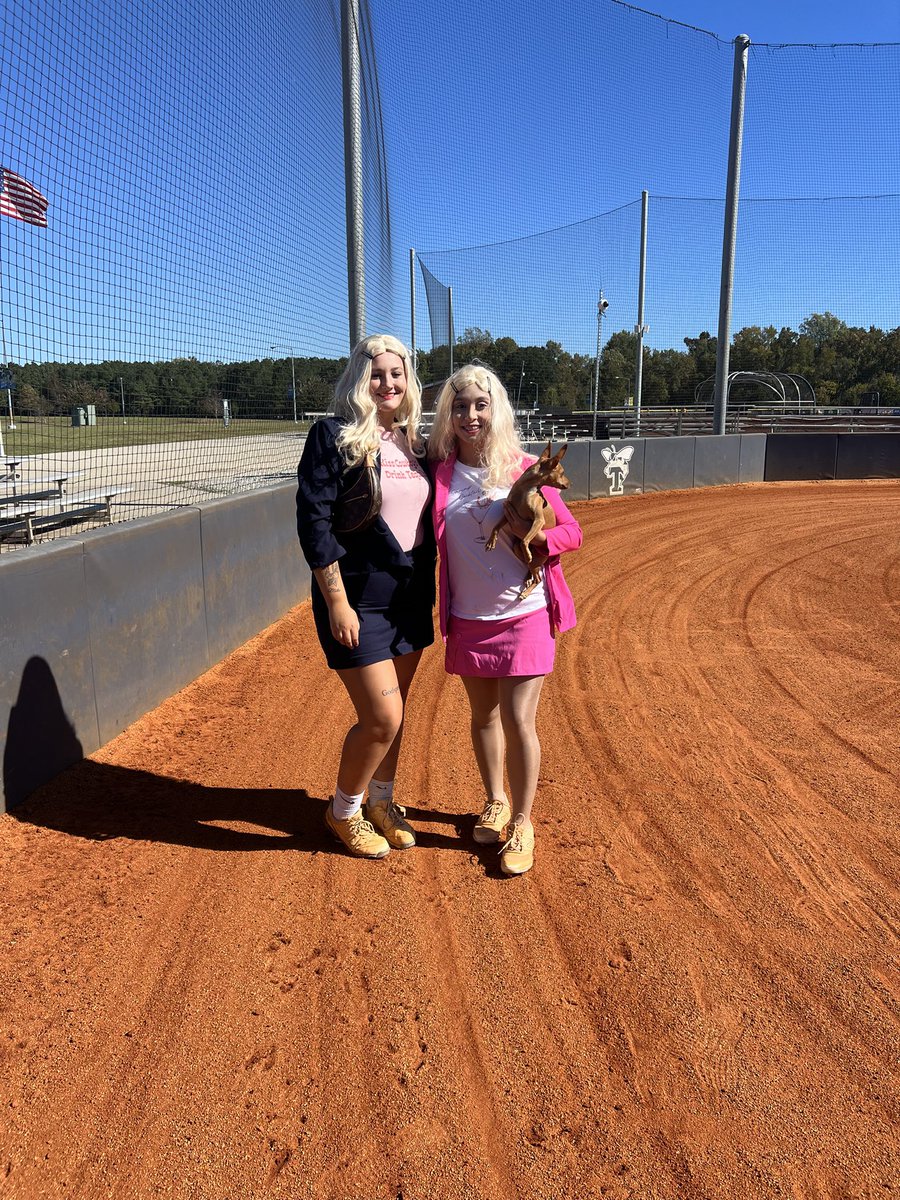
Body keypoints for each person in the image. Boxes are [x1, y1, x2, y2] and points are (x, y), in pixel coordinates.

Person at [429, 363, 582, 876]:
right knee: (483, 718)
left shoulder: (523, 467)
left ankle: (522, 820)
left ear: (496, 410)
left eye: (480, 404)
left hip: (524, 615)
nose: (470, 415)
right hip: (469, 617)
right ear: (447, 414)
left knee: (520, 721)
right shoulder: (441, 472)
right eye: (459, 405)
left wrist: (539, 540)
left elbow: (573, 533)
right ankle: (493, 799)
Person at [296, 334, 435, 859]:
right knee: (382, 718)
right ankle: (343, 811)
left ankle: (382, 801)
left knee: (397, 709)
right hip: (357, 599)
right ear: (360, 380)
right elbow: (314, 524)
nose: (388, 384)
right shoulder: (332, 436)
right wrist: (335, 601)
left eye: (397, 374)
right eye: (377, 374)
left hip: (409, 598)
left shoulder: (415, 441)